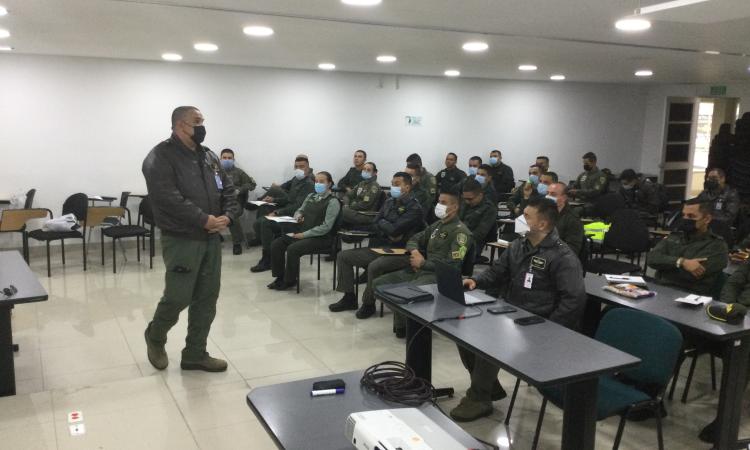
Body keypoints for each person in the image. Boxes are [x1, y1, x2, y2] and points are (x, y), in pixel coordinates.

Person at [451, 196, 586, 422]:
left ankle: (478, 397)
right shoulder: (518, 245)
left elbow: (574, 300)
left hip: (538, 321)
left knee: (491, 342)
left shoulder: (562, 256)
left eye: (526, 216)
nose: (519, 219)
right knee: (464, 332)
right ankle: (488, 387)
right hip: (512, 312)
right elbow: (497, 272)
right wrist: (476, 281)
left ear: (542, 224)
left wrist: (551, 328)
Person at [142, 105, 241, 372]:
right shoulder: (160, 156)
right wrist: (203, 219)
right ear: (179, 125)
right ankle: (155, 336)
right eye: (197, 121)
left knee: (207, 298)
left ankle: (195, 353)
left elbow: (229, 190)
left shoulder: (209, 156)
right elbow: (166, 198)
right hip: (182, 238)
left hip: (211, 238)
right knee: (178, 296)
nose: (202, 126)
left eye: (202, 121)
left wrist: (227, 217)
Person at [373, 190, 473, 337]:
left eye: (444, 203)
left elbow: (452, 266)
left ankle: (409, 326)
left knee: (403, 292)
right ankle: (405, 321)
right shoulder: (437, 225)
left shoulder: (461, 233)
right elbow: (414, 239)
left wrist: (423, 264)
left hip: (437, 276)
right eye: (439, 202)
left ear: (455, 207)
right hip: (420, 270)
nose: (439, 205)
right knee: (379, 283)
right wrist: (414, 252)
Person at [328, 172, 424, 318]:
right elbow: (375, 223)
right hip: (383, 246)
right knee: (343, 256)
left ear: (408, 187)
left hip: (403, 251)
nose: (393, 187)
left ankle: (368, 303)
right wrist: (387, 228)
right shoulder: (389, 202)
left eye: (397, 184)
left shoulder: (415, 208)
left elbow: (395, 229)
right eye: (392, 184)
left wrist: (386, 225)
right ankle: (349, 298)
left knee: (375, 266)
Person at [267, 171, 342, 290]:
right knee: (277, 244)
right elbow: (300, 210)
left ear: (329, 184)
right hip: (303, 232)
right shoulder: (311, 196)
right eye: (316, 181)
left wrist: (304, 235)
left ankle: (290, 280)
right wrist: (298, 215)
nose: (318, 184)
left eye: (322, 182)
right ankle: (280, 277)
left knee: (293, 248)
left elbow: (326, 227)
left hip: (321, 237)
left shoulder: (333, 202)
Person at [647, 198, 728, 296]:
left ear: (707, 219)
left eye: (691, 216)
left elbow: (690, 276)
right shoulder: (675, 236)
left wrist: (664, 266)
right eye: (683, 215)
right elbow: (652, 259)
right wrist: (682, 262)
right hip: (660, 289)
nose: (685, 219)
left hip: (690, 295)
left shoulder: (717, 245)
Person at [250, 156, 315, 272]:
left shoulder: (308, 184)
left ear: (308, 167)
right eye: (296, 167)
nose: (299, 169)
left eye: (302, 166)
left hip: (298, 218)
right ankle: (268, 250)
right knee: (258, 223)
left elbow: (298, 206)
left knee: (265, 222)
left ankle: (268, 260)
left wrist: (277, 212)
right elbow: (289, 200)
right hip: (289, 212)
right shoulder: (296, 180)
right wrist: (274, 201)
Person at [219, 148, 257, 255]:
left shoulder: (239, 173)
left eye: (229, 158)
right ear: (220, 159)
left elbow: (252, 184)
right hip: (219, 202)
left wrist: (239, 190)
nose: (227, 160)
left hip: (236, 202)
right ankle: (215, 237)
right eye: (224, 158)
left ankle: (237, 243)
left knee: (231, 215)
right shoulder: (215, 173)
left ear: (233, 159)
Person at [460, 179, 497, 261]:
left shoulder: (489, 208)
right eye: (465, 198)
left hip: (474, 242)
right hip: (459, 236)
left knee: (453, 256)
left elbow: (480, 233)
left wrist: (461, 239)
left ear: (480, 195)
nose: (467, 201)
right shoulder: (466, 203)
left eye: (470, 199)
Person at [546, 182, 584, 256]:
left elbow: (572, 249)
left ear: (564, 198)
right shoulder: (543, 211)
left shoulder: (572, 219)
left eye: (553, 194)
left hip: (559, 259)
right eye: (547, 193)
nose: (548, 196)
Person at [341, 162, 382, 227]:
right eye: (364, 169)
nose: (365, 171)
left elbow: (365, 204)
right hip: (355, 211)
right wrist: (346, 205)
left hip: (366, 214)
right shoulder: (362, 183)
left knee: (341, 212)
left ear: (374, 173)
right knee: (339, 209)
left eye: (368, 170)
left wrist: (349, 207)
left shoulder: (374, 186)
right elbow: (347, 195)